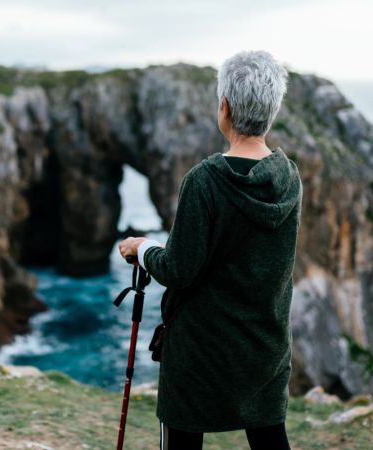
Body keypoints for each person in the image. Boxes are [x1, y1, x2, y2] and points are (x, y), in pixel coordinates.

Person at [118, 50, 301, 450]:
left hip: (200, 355)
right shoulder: (288, 179)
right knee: (270, 440)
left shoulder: (204, 181)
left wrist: (143, 246)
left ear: (225, 108)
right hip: (263, 348)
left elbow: (179, 269)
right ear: (273, 109)